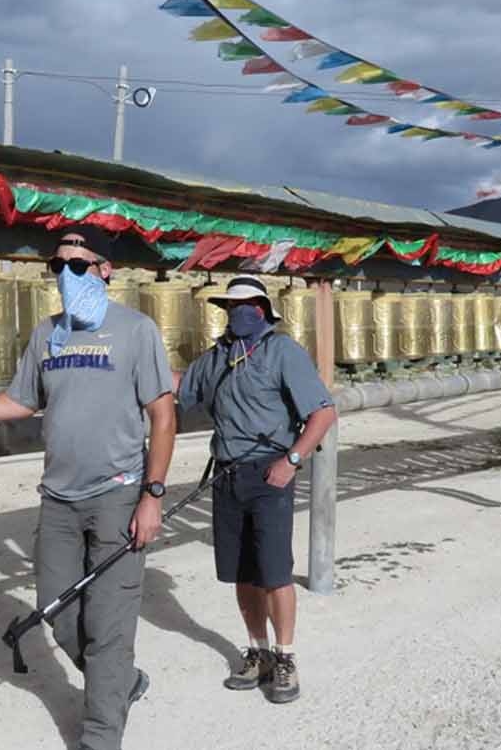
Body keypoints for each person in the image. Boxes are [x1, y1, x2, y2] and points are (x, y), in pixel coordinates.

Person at [0, 226, 176, 750]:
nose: (65, 274)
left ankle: (100, 733)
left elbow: (163, 418)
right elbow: (19, 402)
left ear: (104, 270)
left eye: (77, 264)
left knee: (109, 623)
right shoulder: (46, 335)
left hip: (119, 495)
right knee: (56, 610)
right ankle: (119, 685)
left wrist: (152, 496)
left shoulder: (135, 330)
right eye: (57, 266)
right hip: (59, 500)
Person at [175, 276, 337, 705]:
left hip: (270, 475)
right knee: (242, 571)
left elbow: (322, 414)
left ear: (262, 310)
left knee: (274, 572)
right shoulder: (216, 358)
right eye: (230, 306)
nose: (237, 313)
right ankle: (257, 651)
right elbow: (181, 388)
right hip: (227, 476)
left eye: (245, 305)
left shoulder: (282, 351)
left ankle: (285, 657)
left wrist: (292, 461)